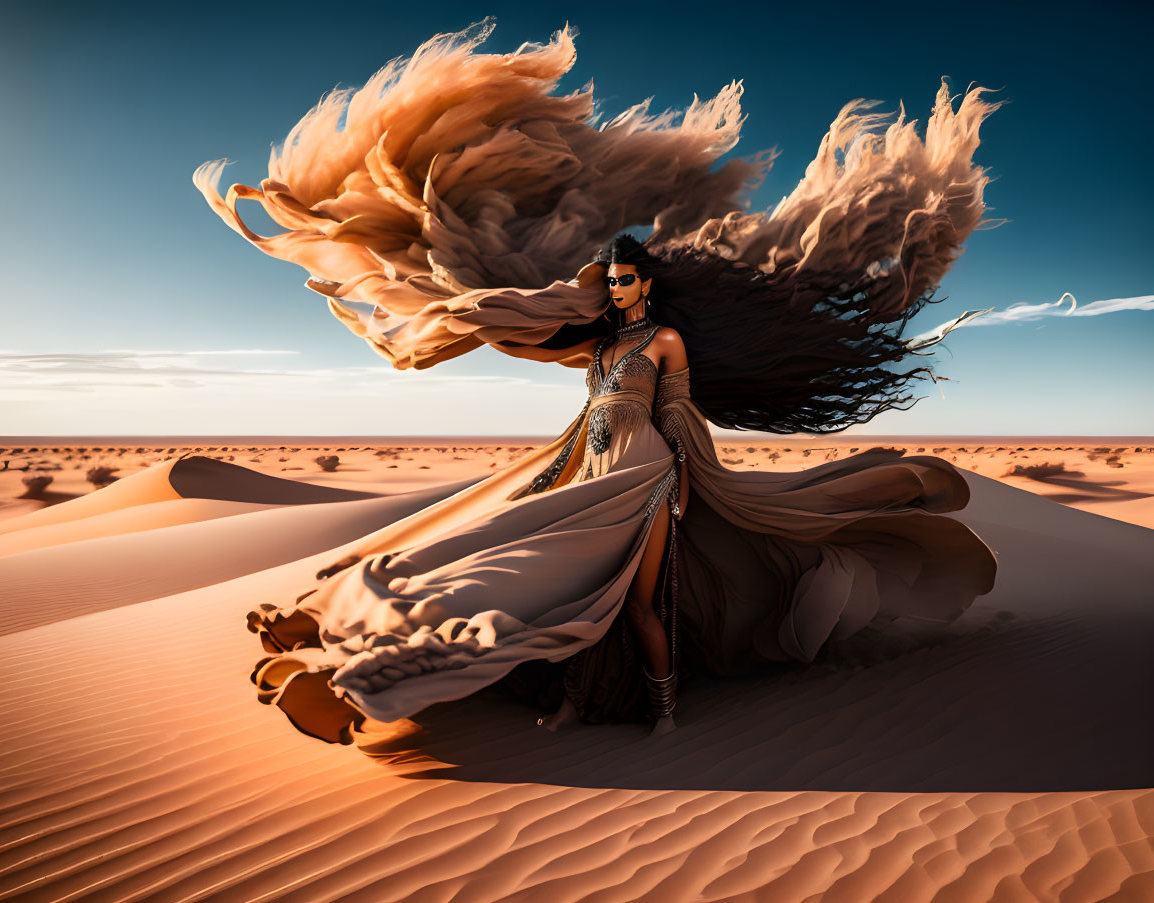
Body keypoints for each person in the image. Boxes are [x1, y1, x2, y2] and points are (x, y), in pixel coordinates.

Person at [197, 21, 1001, 743]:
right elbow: (529, 322)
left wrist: (691, 482)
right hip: (579, 457)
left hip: (641, 473)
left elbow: (678, 414)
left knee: (538, 577)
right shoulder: (592, 326)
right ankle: (334, 623)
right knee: (476, 539)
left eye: (624, 280)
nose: (614, 289)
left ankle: (367, 688)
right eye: (608, 280)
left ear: (646, 285)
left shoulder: (667, 339)